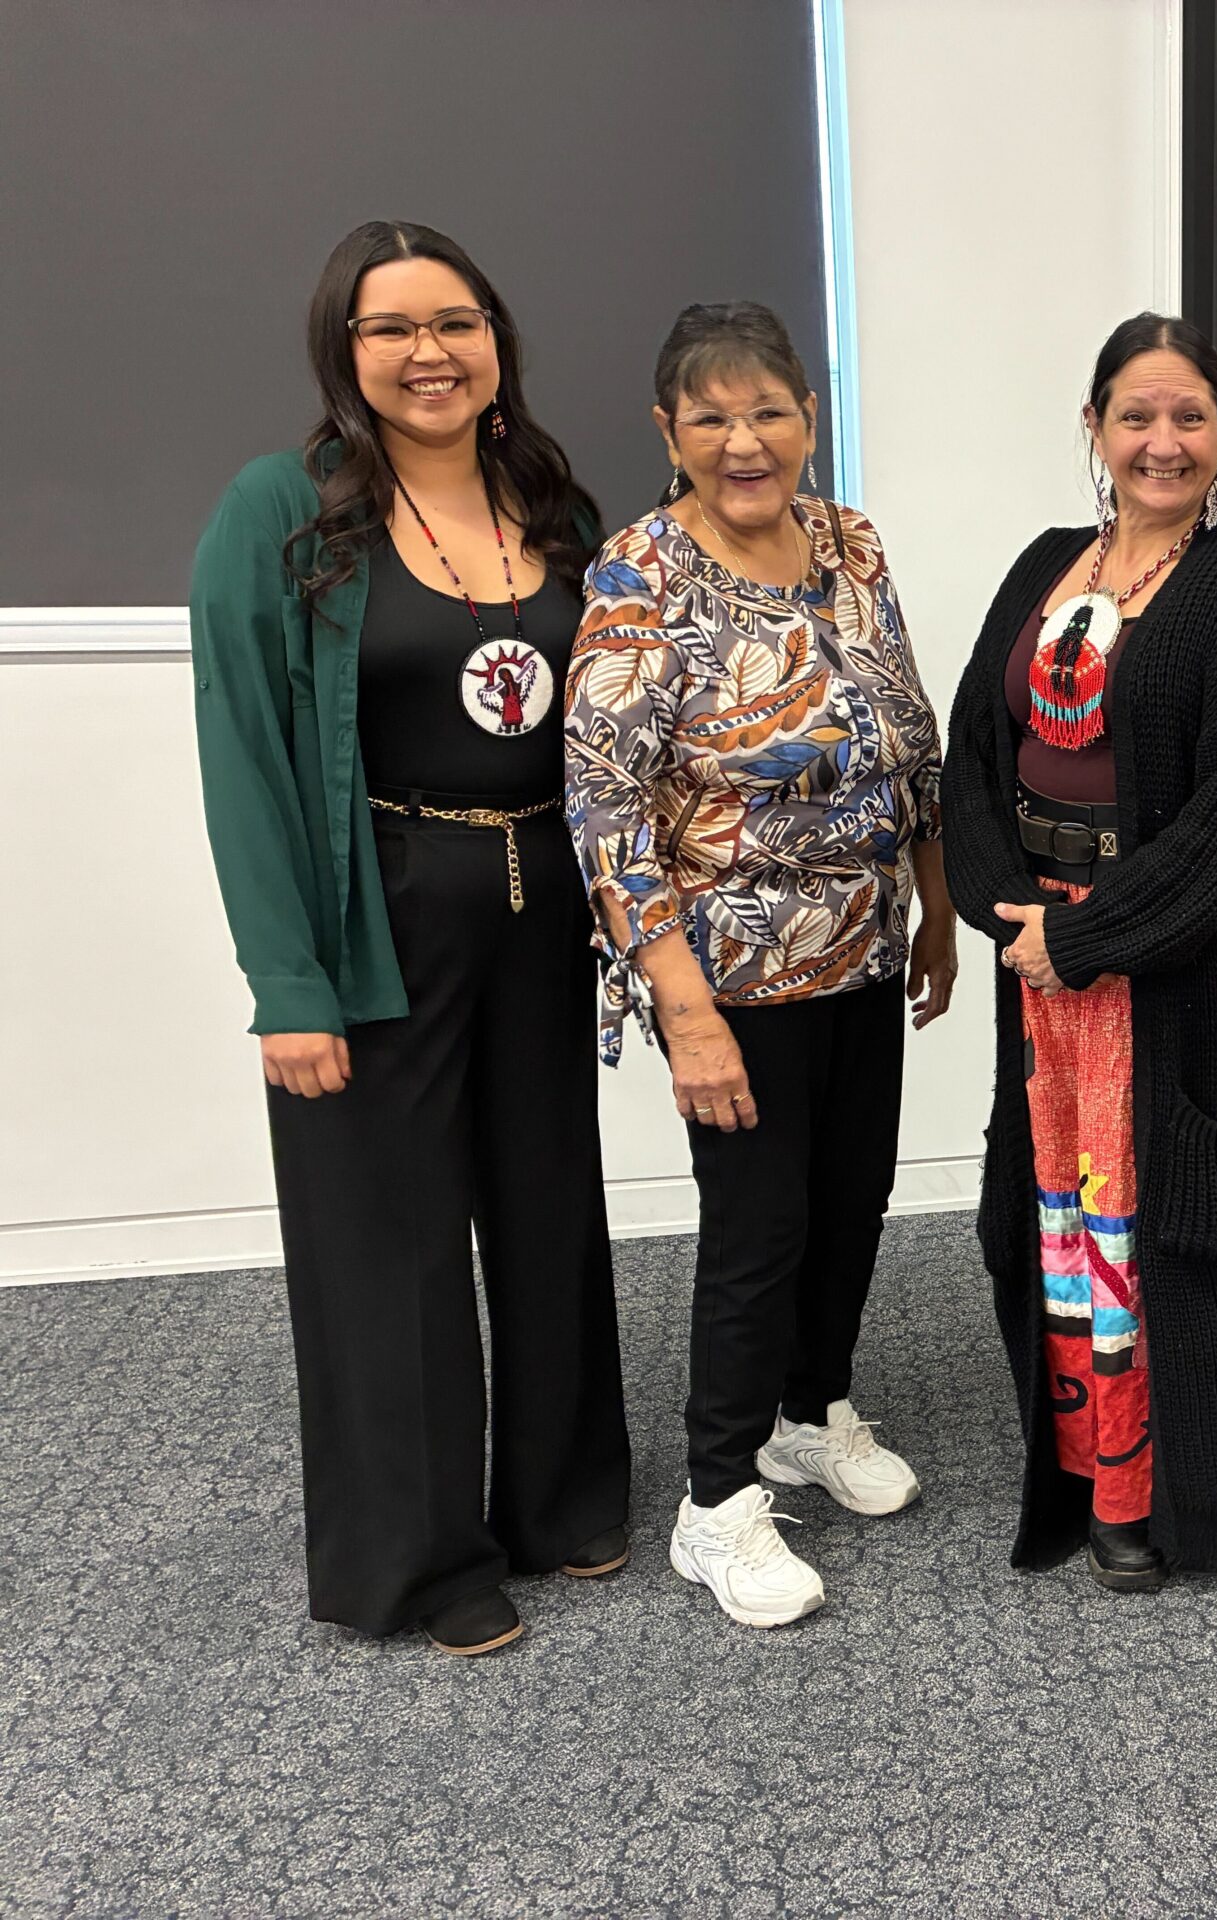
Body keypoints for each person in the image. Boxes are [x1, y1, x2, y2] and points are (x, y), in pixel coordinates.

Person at [189, 220, 629, 1658]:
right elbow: (244, 759)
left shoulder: (555, 504)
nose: (428, 352)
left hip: (541, 904)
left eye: (455, 321)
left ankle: (560, 1501)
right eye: (392, 329)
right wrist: (286, 986)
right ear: (346, 350)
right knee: (394, 1248)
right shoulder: (281, 513)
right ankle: (428, 1561)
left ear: (498, 339)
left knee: (551, 1208)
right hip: (381, 904)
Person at [564, 303, 955, 1630]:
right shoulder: (639, 578)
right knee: (757, 1230)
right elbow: (603, 813)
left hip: (862, 947)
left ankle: (808, 1412)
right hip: (726, 974)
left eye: (770, 411)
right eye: (714, 416)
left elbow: (907, 728)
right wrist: (688, 1013)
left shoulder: (850, 546)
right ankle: (717, 1501)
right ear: (668, 429)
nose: (747, 441)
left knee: (853, 1201)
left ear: (807, 414)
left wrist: (939, 907)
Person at [942, 313, 1217, 1593]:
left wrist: (1089, 935)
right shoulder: (1047, 560)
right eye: (1136, 416)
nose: (1163, 443)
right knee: (1053, 1224)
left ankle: (1166, 1493)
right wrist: (1013, 922)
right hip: (1042, 964)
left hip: (1179, 969)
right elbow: (973, 762)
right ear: (1094, 430)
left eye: (1189, 418)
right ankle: (1084, 1467)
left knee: (1171, 1226)